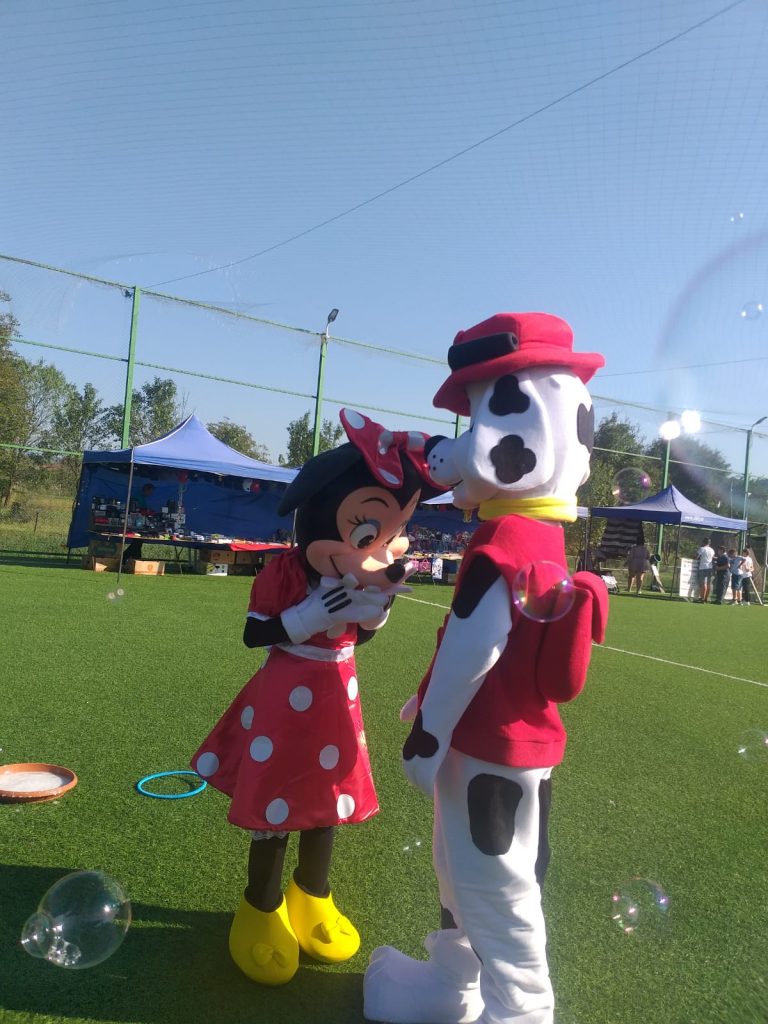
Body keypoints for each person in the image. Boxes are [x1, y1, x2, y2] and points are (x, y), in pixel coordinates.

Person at [191, 408, 436, 987]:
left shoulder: (363, 579)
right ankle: (261, 906)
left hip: (337, 696)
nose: (383, 551)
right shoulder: (285, 573)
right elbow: (255, 634)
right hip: (285, 697)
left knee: (328, 800)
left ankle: (312, 896)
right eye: (368, 534)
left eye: (394, 534)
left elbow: (359, 639)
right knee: (277, 806)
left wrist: (375, 613)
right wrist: (307, 616)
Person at [696, 537, 715, 602]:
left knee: (703, 583)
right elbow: (712, 558)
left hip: (703, 568)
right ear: (709, 543)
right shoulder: (712, 550)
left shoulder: (702, 548)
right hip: (710, 568)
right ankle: (706, 598)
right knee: (708, 584)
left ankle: (702, 598)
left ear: (703, 542)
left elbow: (696, 557)